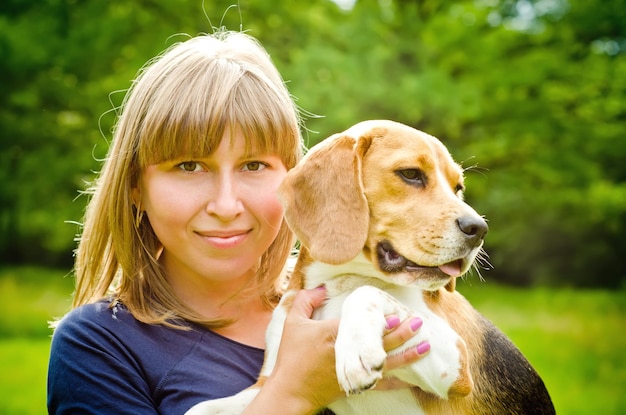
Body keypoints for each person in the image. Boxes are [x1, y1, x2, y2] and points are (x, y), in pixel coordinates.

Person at [47, 29, 429, 414]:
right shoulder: (98, 346)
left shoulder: (361, 301)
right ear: (135, 187)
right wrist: (292, 394)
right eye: (189, 165)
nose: (226, 205)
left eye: (254, 165)